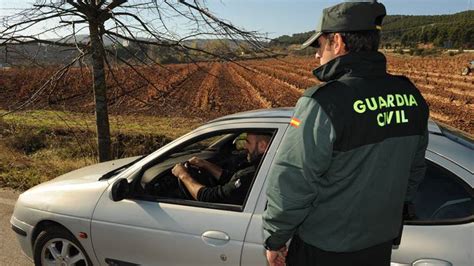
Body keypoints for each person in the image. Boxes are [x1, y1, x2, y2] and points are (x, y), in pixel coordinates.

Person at [262, 1, 429, 266]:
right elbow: (414, 171)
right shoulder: (410, 95)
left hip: (325, 248)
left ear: (337, 41)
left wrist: (275, 237)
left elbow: (293, 180)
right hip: (377, 245)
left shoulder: (325, 102)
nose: (317, 56)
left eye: (320, 45)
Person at [172, 133, 271, 205]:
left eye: (248, 142)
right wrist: (205, 164)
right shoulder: (265, 166)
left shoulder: (252, 174)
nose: (244, 146)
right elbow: (233, 180)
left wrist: (183, 175)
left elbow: (210, 198)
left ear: (262, 146)